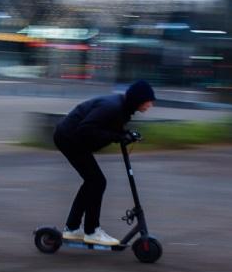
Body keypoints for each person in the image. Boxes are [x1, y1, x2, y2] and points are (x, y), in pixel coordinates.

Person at [52, 80, 156, 246]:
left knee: (93, 181)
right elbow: (86, 129)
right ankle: (92, 231)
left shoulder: (123, 108)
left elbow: (108, 127)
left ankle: (72, 228)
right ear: (138, 99)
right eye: (148, 100)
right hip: (68, 137)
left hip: (73, 138)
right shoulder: (113, 107)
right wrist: (117, 137)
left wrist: (126, 134)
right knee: (97, 181)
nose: (151, 104)